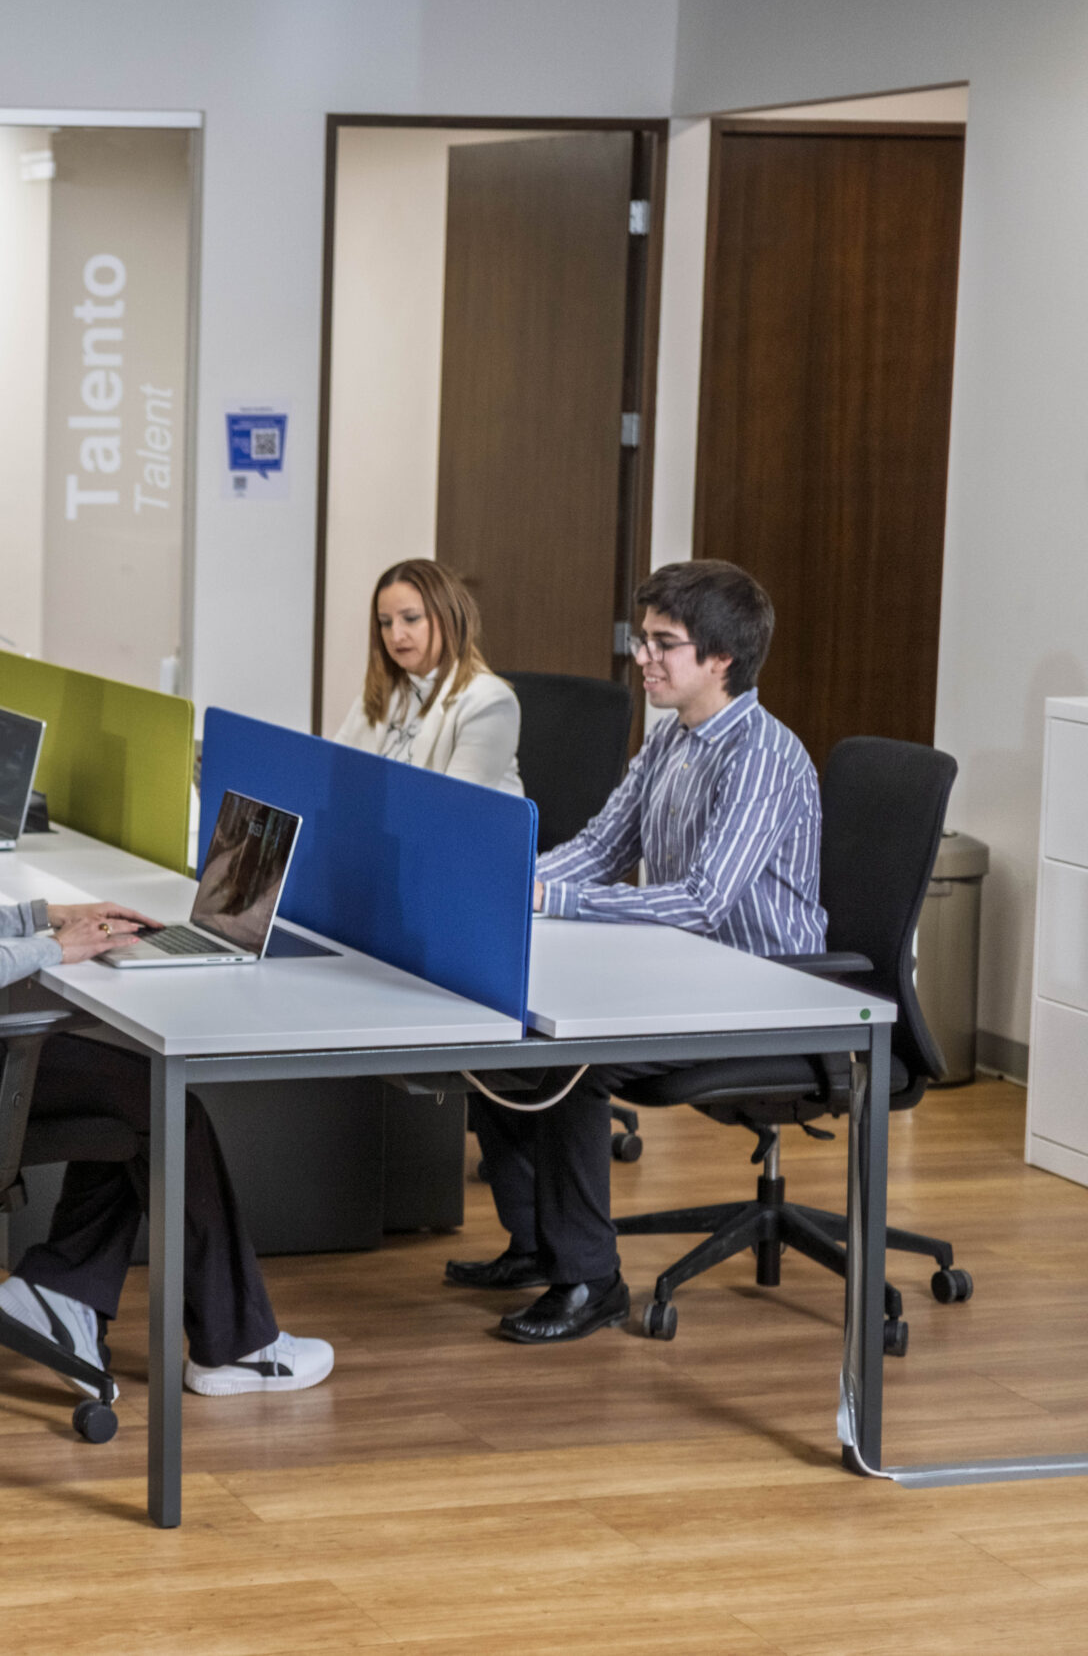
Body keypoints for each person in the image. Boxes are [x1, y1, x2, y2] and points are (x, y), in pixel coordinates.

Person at [0, 602, 335, 1396]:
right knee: (166, 1103)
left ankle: (58, 1292)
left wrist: (44, 914)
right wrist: (59, 949)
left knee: (125, 1098)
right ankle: (234, 1345)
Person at [454, 559, 825, 1344]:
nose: (643, 657)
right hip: (684, 974)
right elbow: (599, 848)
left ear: (721, 658)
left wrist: (554, 901)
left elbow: (703, 900)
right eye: (643, 639)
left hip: (765, 990)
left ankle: (590, 1281)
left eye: (664, 643)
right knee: (500, 1028)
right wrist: (508, 881)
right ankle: (538, 1244)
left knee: (574, 1061)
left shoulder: (761, 754)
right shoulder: (670, 739)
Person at [333, 557, 522, 793]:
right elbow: (335, 772)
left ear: (448, 617)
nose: (396, 636)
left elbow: (453, 804)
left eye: (411, 619)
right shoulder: (381, 689)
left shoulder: (490, 702)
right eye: (385, 623)